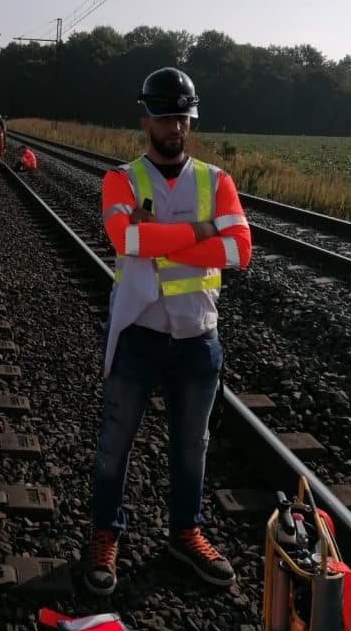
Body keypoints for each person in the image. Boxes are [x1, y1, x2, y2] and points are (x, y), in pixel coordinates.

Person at [84, 67, 251, 596]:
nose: (174, 127)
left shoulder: (217, 181)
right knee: (115, 445)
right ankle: (105, 535)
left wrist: (158, 238)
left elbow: (238, 250)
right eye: (165, 117)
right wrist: (201, 232)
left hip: (198, 336)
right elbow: (122, 236)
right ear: (146, 120)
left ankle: (186, 532)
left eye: (182, 117)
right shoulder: (121, 179)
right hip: (138, 331)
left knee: (191, 447)